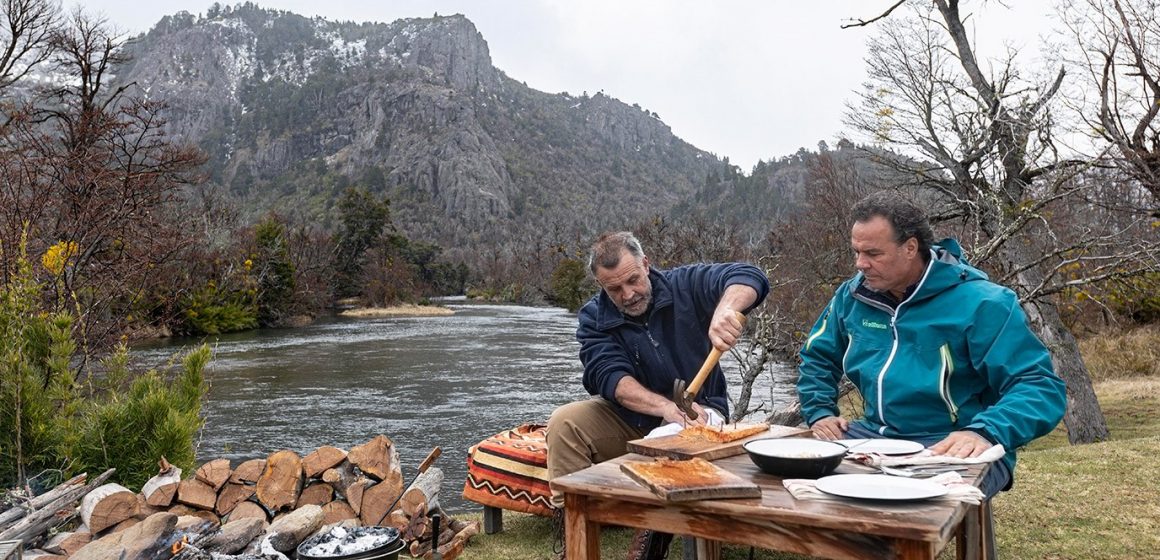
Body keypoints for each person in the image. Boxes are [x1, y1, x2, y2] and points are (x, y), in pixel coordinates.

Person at [797, 191, 1067, 498]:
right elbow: (817, 356)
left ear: (910, 247)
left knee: (897, 507)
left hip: (953, 441)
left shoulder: (984, 303)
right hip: (872, 436)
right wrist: (819, 411)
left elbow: (1039, 386)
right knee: (788, 466)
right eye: (856, 252)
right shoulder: (852, 296)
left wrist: (986, 431)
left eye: (873, 254)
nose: (861, 264)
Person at [547, 231, 769, 560]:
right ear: (601, 285)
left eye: (633, 280)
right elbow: (609, 376)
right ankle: (575, 528)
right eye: (614, 289)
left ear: (646, 265)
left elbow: (750, 276)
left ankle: (649, 542)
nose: (628, 294)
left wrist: (726, 309)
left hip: (701, 416)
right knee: (564, 422)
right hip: (632, 418)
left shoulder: (687, 285)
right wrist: (665, 406)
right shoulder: (594, 317)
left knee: (676, 435)